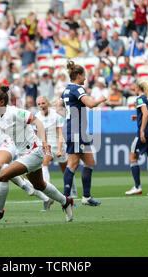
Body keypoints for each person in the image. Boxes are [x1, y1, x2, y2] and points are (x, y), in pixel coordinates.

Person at [0, 86, 74, 222]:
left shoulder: (15, 112)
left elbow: (37, 121)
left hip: (34, 151)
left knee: (3, 175)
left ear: (2, 102)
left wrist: (44, 141)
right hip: (24, 153)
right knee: (39, 185)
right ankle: (66, 201)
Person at [56, 61, 107, 206]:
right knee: (73, 163)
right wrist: (100, 99)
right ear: (78, 75)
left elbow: (58, 107)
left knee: (90, 162)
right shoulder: (77, 89)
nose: (85, 78)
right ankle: (65, 199)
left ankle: (86, 197)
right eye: (84, 75)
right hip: (75, 131)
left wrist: (69, 115)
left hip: (76, 130)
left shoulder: (66, 90)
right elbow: (90, 104)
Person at [36, 96, 78, 199]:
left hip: (58, 145)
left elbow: (60, 134)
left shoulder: (56, 115)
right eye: (39, 104)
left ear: (48, 104)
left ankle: (73, 190)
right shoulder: (37, 116)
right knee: (44, 163)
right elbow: (38, 134)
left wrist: (59, 149)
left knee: (65, 169)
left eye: (43, 103)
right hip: (46, 146)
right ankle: (47, 192)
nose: (41, 106)